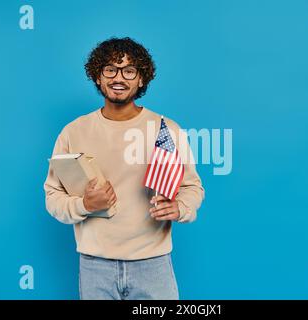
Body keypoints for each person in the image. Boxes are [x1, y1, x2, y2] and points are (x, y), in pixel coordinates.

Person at [43, 37, 204, 300]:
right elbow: (53, 197)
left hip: (153, 263)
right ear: (98, 76)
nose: (119, 77)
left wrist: (181, 207)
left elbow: (191, 187)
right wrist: (85, 204)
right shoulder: (73, 132)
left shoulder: (166, 130)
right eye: (110, 69)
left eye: (129, 70)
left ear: (141, 79)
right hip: (95, 264)